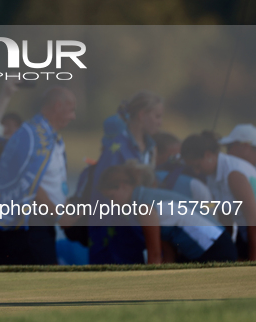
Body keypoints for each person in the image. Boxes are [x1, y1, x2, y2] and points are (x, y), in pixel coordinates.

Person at [0, 87, 76, 265]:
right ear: (57, 106)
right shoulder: (33, 136)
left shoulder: (47, 136)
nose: (74, 116)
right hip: (29, 228)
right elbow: (27, 183)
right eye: (71, 110)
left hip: (40, 225)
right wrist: (59, 216)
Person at [98, 163, 237, 264]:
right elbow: (167, 249)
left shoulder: (143, 206)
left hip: (215, 250)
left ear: (123, 186)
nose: (112, 203)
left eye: (112, 197)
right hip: (218, 244)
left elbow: (155, 254)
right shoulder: (147, 196)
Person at [88, 91, 163, 265]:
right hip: (115, 233)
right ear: (142, 115)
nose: (160, 122)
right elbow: (102, 194)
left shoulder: (151, 149)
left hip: (138, 230)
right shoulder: (117, 148)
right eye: (157, 116)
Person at [181, 131, 256, 261]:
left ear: (208, 155)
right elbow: (225, 216)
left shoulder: (233, 174)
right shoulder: (212, 175)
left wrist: (253, 263)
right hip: (246, 232)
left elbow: (255, 222)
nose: (197, 172)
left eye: (197, 166)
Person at [152, 132, 212, 201]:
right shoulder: (196, 186)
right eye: (174, 157)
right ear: (156, 154)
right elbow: (210, 210)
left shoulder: (197, 185)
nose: (180, 161)